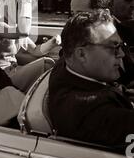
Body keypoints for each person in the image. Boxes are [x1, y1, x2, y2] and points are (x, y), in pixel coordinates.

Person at [49, 10, 134, 148]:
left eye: (121, 46)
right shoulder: (91, 112)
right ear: (82, 54)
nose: (121, 54)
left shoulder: (67, 65)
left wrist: (125, 91)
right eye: (113, 47)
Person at [0, 0, 61, 92]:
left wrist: (52, 43)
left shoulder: (14, 25)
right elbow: (23, 32)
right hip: (3, 77)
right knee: (47, 64)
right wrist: (26, 0)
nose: (24, 10)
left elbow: (35, 50)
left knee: (52, 63)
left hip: (13, 71)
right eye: (19, 6)